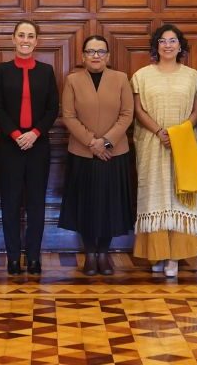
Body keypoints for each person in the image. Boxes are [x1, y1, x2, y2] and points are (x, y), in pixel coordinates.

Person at [58, 35, 135, 276]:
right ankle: (90, 254)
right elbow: (68, 116)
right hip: (83, 152)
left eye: (101, 52)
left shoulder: (121, 79)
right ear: (82, 56)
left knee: (111, 205)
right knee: (86, 205)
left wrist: (107, 141)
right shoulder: (72, 80)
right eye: (90, 52)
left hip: (115, 153)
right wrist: (92, 142)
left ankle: (104, 253)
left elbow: (127, 114)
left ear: (108, 56)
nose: (95, 56)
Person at [131, 24, 197, 279]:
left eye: (173, 41)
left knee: (180, 195)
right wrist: (160, 132)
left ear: (180, 46)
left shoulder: (193, 76)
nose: (168, 45)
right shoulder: (142, 75)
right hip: (152, 143)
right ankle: (157, 254)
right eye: (163, 41)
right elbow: (138, 110)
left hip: (185, 144)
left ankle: (175, 256)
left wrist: (178, 133)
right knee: (155, 195)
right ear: (156, 46)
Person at [0, 20, 59, 275]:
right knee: (10, 204)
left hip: (38, 146)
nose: (26, 40)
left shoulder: (46, 71)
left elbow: (53, 108)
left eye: (30, 36)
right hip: (9, 147)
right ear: (13, 38)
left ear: (37, 41)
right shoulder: (1, 71)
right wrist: (18, 134)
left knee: (36, 204)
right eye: (21, 35)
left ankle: (33, 257)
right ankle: (12, 258)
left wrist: (35, 133)